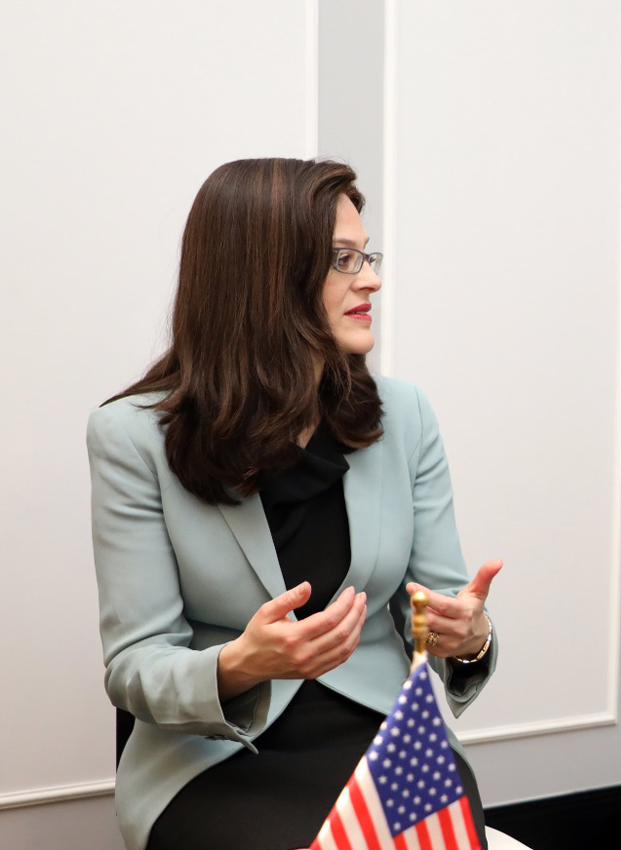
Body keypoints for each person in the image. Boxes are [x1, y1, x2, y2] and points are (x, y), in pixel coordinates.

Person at [88, 158, 500, 850]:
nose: (371, 279)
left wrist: (467, 636)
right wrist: (241, 663)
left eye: (367, 256)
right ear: (266, 278)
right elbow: (134, 667)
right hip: (215, 755)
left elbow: (433, 613)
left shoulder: (404, 415)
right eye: (342, 260)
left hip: (385, 735)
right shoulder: (133, 437)